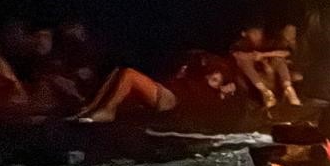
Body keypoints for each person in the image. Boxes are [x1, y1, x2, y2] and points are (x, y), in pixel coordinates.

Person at [75, 52, 237, 123]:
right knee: (118, 71)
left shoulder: (210, 95)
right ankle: (92, 107)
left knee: (130, 74)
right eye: (211, 76)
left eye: (215, 80)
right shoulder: (196, 77)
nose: (210, 79)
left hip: (171, 99)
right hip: (167, 90)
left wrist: (223, 93)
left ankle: (108, 111)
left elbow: (213, 107)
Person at [230, 24, 301, 108]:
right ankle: (266, 93)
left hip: (273, 73)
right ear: (245, 34)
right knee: (244, 63)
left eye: (259, 32)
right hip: (254, 79)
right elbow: (238, 56)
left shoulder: (269, 42)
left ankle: (289, 89)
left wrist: (263, 55)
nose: (257, 35)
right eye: (254, 32)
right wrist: (255, 57)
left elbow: (285, 53)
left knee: (279, 59)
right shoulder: (240, 45)